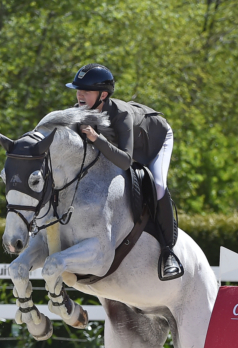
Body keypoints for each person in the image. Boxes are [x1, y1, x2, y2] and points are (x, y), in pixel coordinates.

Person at [67, 63, 183, 280]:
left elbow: (125, 161)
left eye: (86, 91)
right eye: (78, 89)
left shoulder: (121, 115)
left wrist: (95, 138)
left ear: (103, 95)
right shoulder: (78, 112)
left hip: (155, 141)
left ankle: (169, 252)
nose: (80, 94)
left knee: (158, 185)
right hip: (125, 147)